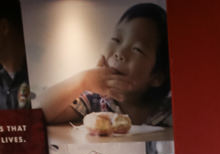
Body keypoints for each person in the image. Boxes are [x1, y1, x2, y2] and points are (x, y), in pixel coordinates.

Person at [35, 3, 171, 126]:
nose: (120, 53)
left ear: (157, 76)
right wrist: (83, 81)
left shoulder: (169, 112)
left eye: (137, 49)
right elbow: (35, 114)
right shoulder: (95, 101)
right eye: (116, 39)